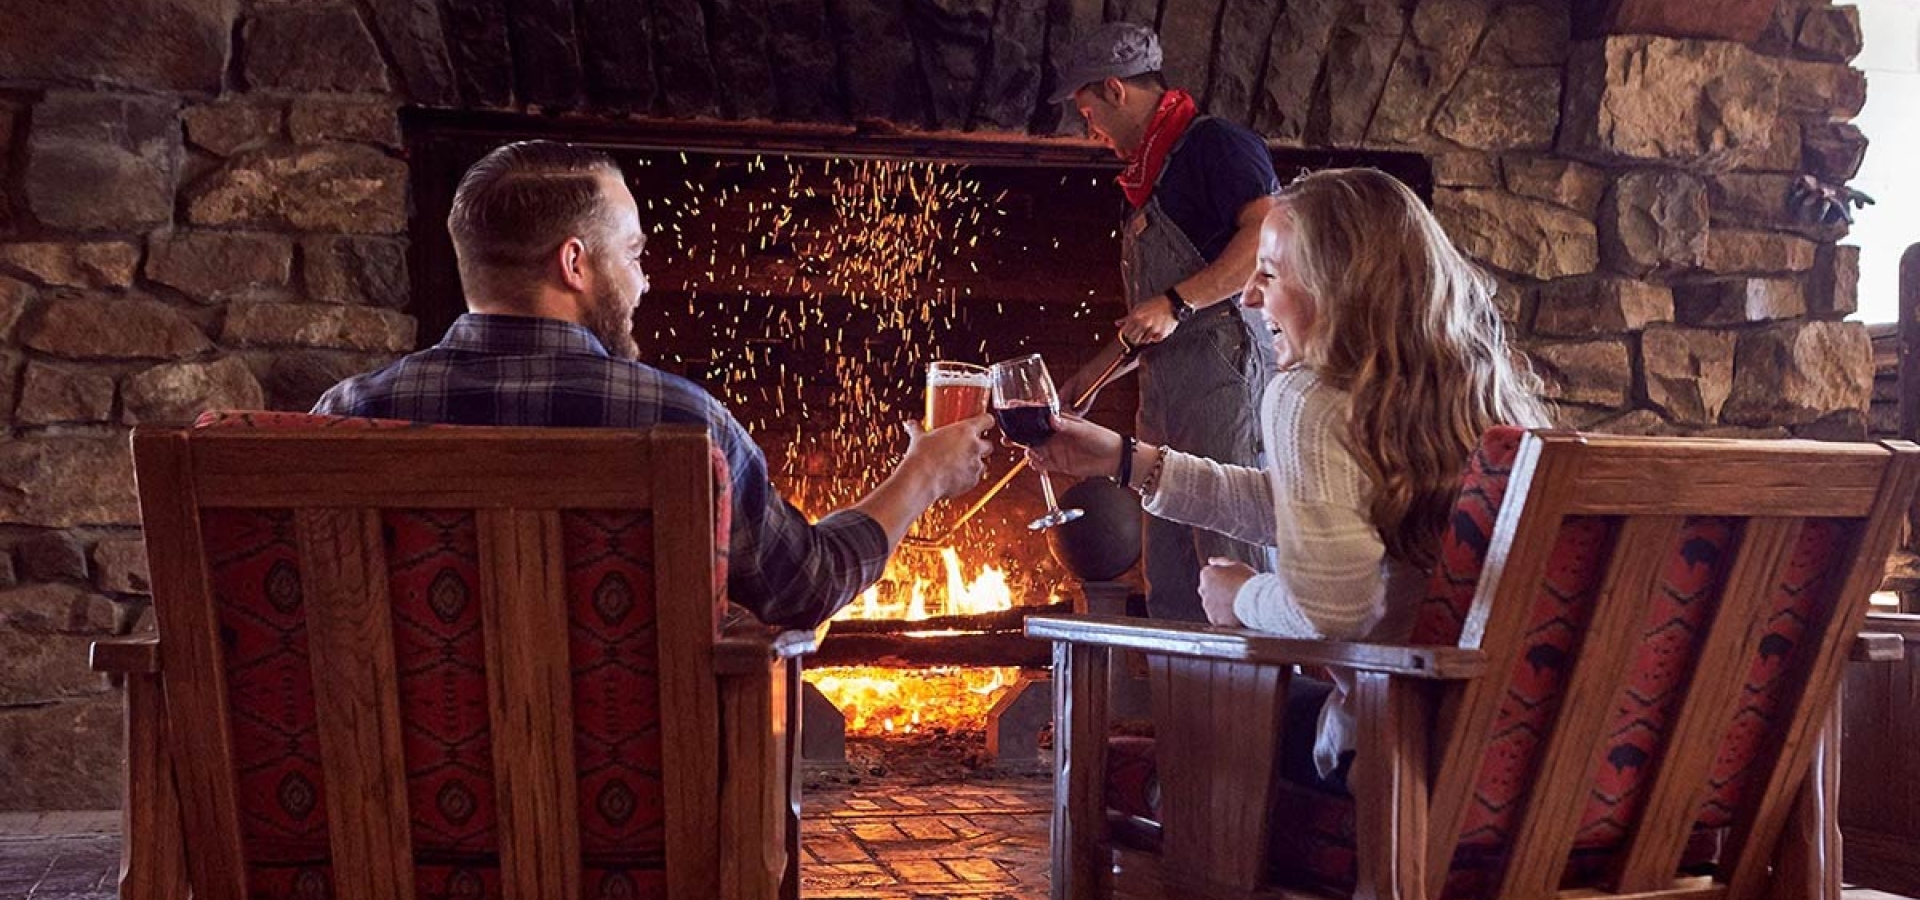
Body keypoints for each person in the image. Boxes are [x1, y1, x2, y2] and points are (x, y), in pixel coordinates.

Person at [313, 140, 994, 629]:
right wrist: (924, 474)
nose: (643, 282)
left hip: (393, 808)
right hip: (639, 819)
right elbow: (806, 587)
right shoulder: (680, 419)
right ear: (574, 263)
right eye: (634, 254)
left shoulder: (346, 418)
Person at [1025, 168, 1549, 785]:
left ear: (1339, 289)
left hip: (1392, 760)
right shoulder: (1478, 402)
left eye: (1268, 274)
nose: (1247, 297)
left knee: (1162, 746)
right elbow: (1303, 506)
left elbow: (1331, 609)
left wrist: (1238, 597)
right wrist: (1126, 460)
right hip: (1511, 763)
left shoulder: (1307, 398)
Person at [1049, 21, 1279, 622]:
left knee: (1232, 561)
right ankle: (1182, 716)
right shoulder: (1150, 177)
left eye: (1086, 109)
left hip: (1227, 391)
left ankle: (1260, 715)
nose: (1088, 128)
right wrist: (1090, 380)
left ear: (1116, 90)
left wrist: (1179, 301)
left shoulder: (1216, 147)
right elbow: (1149, 321)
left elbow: (1269, 235)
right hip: (1167, 404)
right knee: (1171, 579)